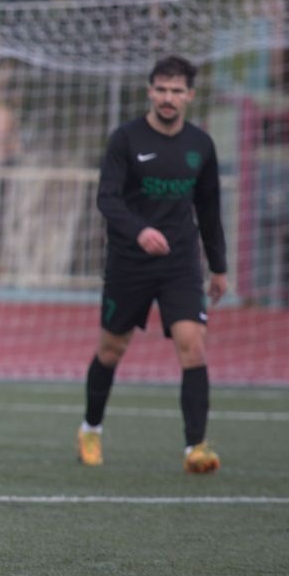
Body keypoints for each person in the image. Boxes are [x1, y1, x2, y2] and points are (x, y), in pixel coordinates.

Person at [78, 54, 229, 472]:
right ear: (150, 91)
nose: (168, 98)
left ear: (190, 95)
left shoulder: (201, 146)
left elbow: (209, 209)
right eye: (161, 89)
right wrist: (139, 231)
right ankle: (90, 428)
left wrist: (219, 267)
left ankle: (195, 448)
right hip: (129, 262)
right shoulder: (126, 139)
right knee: (111, 349)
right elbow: (107, 198)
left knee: (193, 345)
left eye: (176, 91)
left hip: (180, 263)